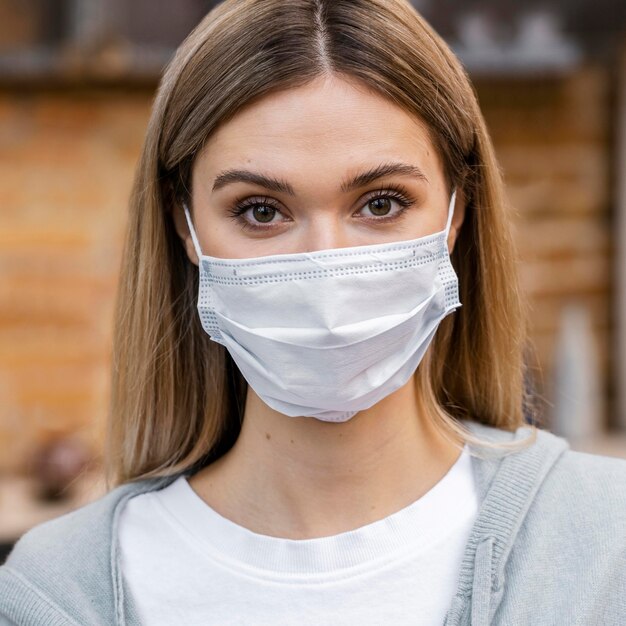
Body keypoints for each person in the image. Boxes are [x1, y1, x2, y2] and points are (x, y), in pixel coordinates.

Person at [1, 0, 625, 624]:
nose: (327, 269)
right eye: (261, 211)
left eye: (381, 204)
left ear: (457, 212)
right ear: (184, 226)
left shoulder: (604, 543)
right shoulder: (57, 591)